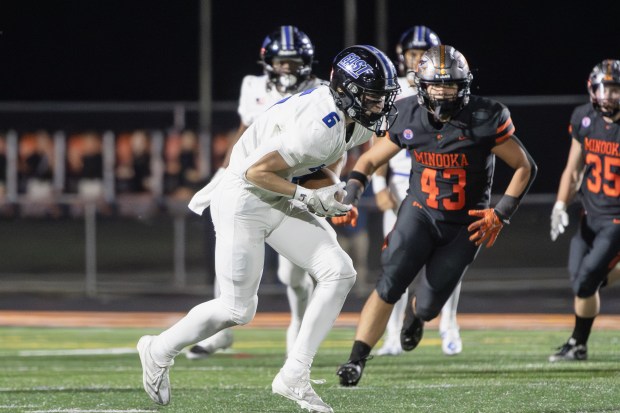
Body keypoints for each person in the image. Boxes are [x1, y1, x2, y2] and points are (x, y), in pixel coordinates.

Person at [137, 44, 401, 412]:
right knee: (237, 309)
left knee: (338, 272)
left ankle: (295, 374)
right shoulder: (317, 123)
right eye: (373, 99)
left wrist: (333, 189)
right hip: (242, 200)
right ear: (348, 91)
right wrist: (310, 198)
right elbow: (255, 172)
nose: (381, 107)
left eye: (383, 99)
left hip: (277, 195)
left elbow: (332, 156)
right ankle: (158, 349)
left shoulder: (352, 121)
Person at [334, 45, 537, 387]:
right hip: (420, 212)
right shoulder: (407, 113)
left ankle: (417, 315)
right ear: (421, 86)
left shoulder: (486, 117)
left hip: (464, 225)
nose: (444, 93)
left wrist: (501, 213)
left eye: (451, 85)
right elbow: (368, 161)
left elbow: (524, 166)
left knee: (428, 307)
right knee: (389, 282)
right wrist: (351, 194)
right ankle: (355, 361)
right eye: (436, 85)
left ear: (465, 85)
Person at [186, 25, 324, 360]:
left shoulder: (321, 91)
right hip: (251, 179)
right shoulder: (253, 86)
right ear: (268, 62)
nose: (287, 69)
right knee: (229, 254)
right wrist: (224, 172)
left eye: (293, 63)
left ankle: (299, 325)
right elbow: (244, 132)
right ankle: (220, 333)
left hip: (295, 181)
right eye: (282, 62)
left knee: (291, 273)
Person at [372, 25, 463, 357]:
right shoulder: (393, 89)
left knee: (446, 258)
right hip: (400, 180)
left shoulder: (448, 88)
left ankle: (448, 323)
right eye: (413, 54)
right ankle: (393, 334)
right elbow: (379, 139)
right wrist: (379, 184)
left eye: (423, 55)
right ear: (402, 55)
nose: (417, 61)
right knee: (396, 261)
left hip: (439, 180)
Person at [548, 59, 620, 362]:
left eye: (616, 89)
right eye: (605, 89)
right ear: (592, 90)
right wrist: (560, 204)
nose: (610, 96)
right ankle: (578, 345)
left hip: (617, 218)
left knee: (589, 277)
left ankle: (578, 343)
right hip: (589, 216)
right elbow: (573, 170)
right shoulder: (583, 118)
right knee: (581, 281)